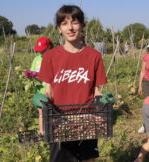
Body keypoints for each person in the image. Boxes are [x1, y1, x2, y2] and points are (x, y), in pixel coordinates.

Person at [38, 5, 107, 162]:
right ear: (58, 28)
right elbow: (48, 92)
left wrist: (104, 103)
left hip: (87, 121)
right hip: (59, 121)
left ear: (82, 25)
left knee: (88, 159)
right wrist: (41, 117)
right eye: (64, 23)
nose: (70, 28)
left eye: (75, 22)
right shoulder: (50, 56)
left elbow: (96, 91)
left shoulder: (94, 56)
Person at [31, 36, 53, 135]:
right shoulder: (37, 59)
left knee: (52, 111)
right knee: (41, 112)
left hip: (52, 91)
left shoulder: (54, 58)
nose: (41, 52)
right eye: (39, 51)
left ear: (49, 47)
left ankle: (51, 132)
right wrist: (31, 76)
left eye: (43, 50)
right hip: (40, 90)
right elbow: (32, 72)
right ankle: (42, 132)